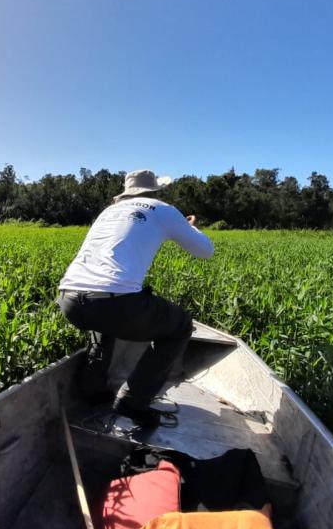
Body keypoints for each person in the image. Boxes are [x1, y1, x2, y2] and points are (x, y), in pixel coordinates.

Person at [56, 169, 214, 427]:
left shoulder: (108, 212)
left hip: (70, 300)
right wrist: (187, 227)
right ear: (155, 191)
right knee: (180, 326)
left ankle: (94, 391)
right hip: (116, 302)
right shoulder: (162, 208)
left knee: (102, 321)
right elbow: (206, 251)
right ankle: (133, 400)